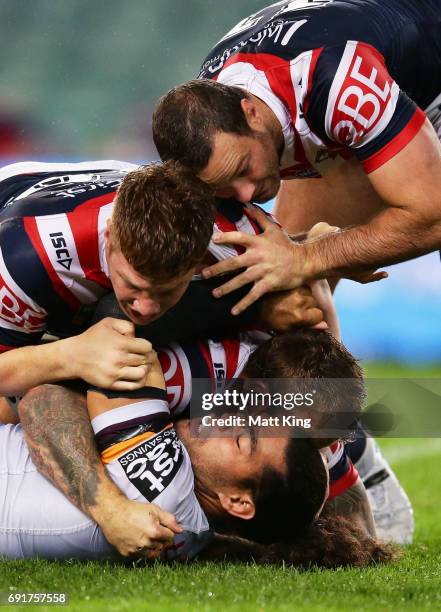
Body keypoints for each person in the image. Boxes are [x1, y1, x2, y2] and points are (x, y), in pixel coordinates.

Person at [2, 328, 394, 567]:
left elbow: (45, 396)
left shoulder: (166, 485)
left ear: (238, 502)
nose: (227, 415)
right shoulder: (195, 529)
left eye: (244, 437)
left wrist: (109, 507)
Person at [152, 0, 441, 314]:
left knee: (297, 262)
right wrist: (318, 249)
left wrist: (313, 256)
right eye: (223, 186)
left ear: (251, 113)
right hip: (364, 94)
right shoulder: (214, 113)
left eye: (243, 168)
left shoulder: (335, 83)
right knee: (278, 282)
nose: (246, 194)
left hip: (415, 62)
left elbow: (434, 218)